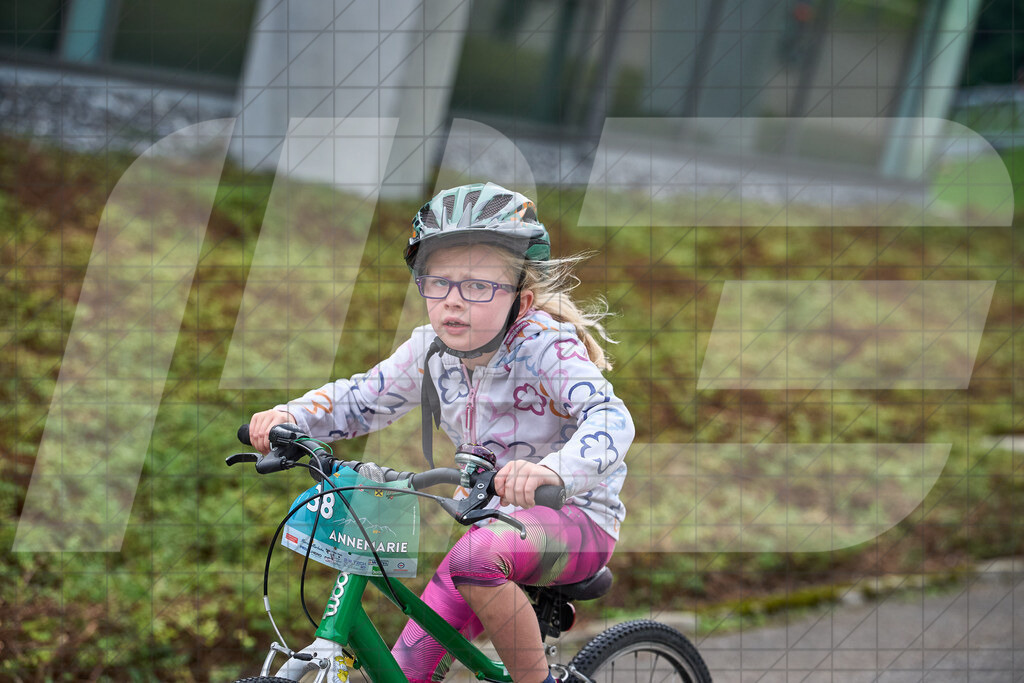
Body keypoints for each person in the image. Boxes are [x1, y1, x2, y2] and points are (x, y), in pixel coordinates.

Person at [248, 183, 633, 683]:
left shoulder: (546, 347)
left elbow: (611, 417)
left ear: (522, 299)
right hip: (489, 528)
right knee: (405, 673)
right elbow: (363, 397)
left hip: (577, 519)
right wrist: (291, 417)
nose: (453, 301)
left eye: (477, 286)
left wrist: (550, 470)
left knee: (475, 556)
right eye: (438, 282)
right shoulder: (430, 351)